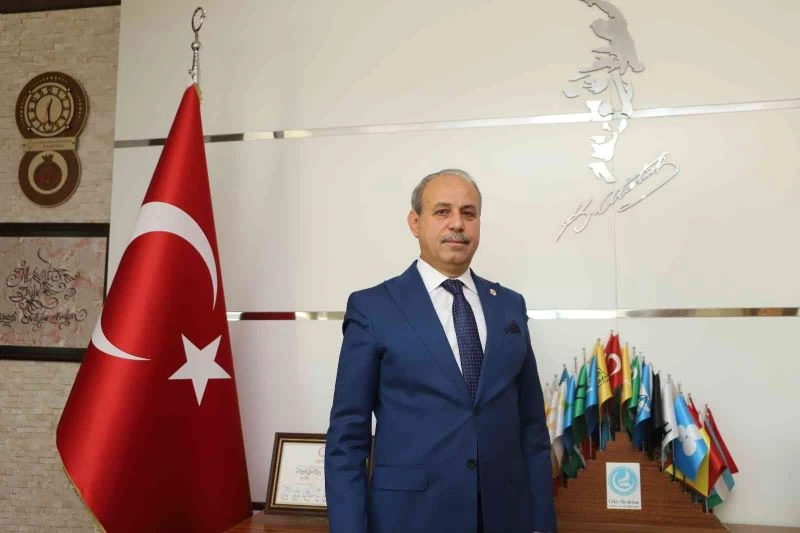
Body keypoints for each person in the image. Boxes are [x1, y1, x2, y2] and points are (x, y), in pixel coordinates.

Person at [325, 169, 556, 533]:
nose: (457, 223)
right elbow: (347, 438)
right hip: (409, 517)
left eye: (468, 213)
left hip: (504, 516)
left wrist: (542, 523)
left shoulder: (509, 306)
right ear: (415, 223)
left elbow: (532, 429)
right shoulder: (373, 308)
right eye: (442, 211)